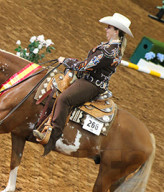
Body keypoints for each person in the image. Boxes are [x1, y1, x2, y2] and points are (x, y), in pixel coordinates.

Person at [36, 13, 134, 156]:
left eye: (109, 27)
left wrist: (66, 61)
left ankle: (52, 136)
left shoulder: (108, 52)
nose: (105, 30)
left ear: (116, 31)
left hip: (91, 84)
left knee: (64, 99)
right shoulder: (111, 48)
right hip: (91, 80)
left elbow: (85, 66)